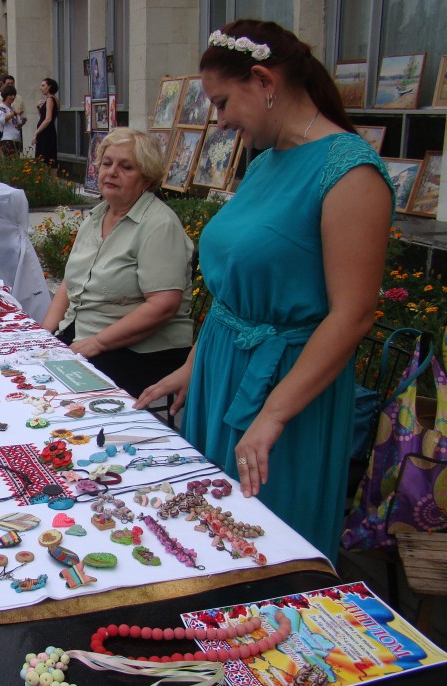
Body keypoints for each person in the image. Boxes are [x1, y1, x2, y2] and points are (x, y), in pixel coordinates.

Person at [135, 20, 393, 562]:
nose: (221, 121)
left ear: (264, 80)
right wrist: (195, 365)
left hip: (287, 388)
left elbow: (353, 315)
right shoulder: (265, 164)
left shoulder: (351, 174)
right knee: (203, 533)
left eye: (223, 103)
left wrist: (274, 414)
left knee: (263, 542)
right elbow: (233, 290)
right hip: (222, 369)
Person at [43, 127, 193, 398]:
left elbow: (163, 305)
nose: (112, 172)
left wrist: (97, 343)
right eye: (107, 163)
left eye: (126, 167)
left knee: (54, 394)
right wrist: (44, 334)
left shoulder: (159, 224)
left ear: (146, 179)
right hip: (84, 333)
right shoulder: (96, 216)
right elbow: (70, 283)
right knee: (25, 370)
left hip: (141, 350)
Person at [32, 78, 59, 167]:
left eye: (43, 85)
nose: (41, 88)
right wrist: (38, 108)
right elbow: (43, 117)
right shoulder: (52, 99)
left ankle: (45, 174)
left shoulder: (50, 99)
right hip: (47, 131)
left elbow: (48, 119)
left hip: (46, 133)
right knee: (47, 157)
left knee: (44, 158)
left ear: (49, 87)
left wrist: (36, 133)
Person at [0, 84, 23, 157]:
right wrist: (13, 114)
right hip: (7, 138)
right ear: (5, 95)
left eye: (14, 95)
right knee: (9, 160)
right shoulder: (1, 107)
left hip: (16, 138)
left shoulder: (12, 108)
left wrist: (22, 121)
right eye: (10, 95)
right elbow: (2, 119)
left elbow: (17, 124)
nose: (13, 97)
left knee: (16, 160)